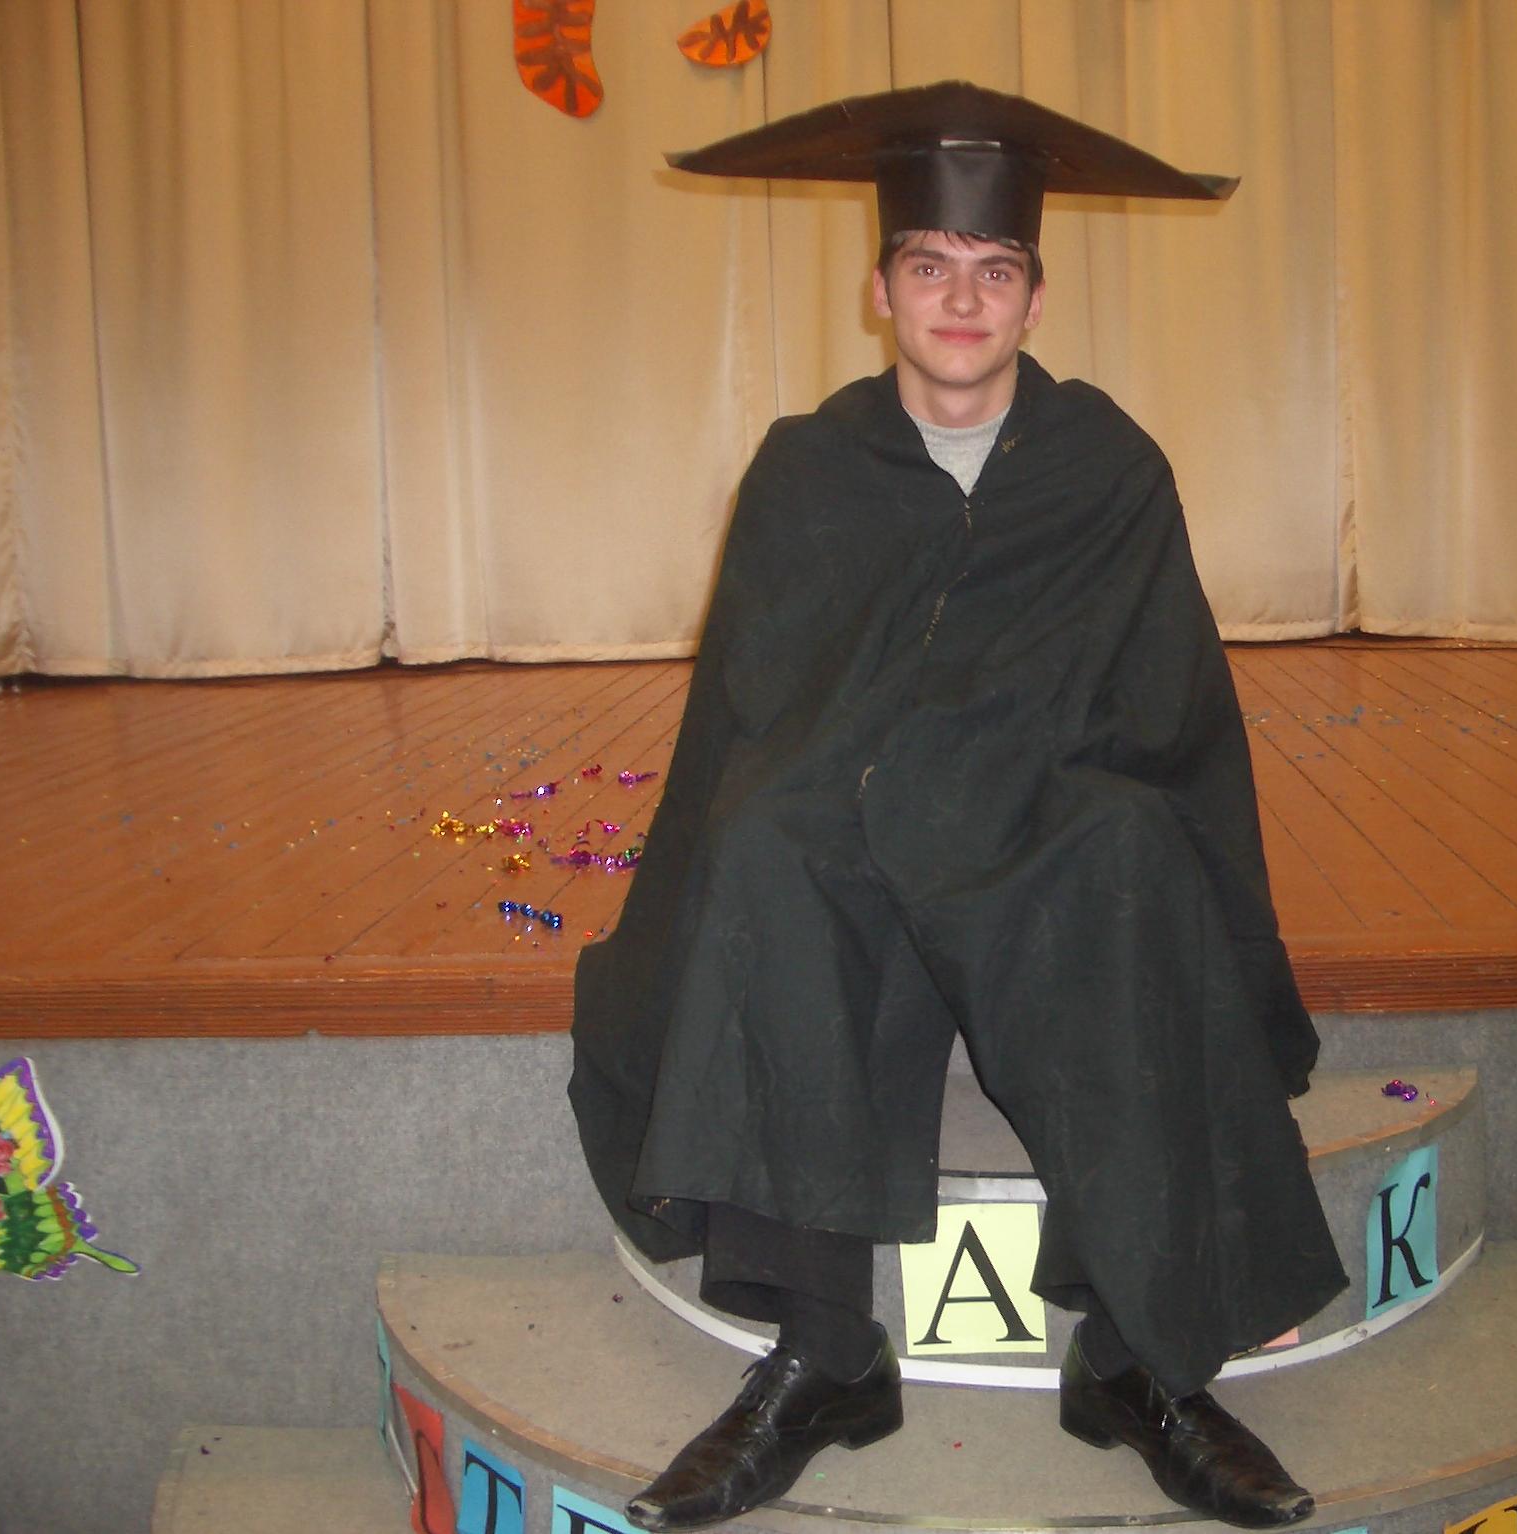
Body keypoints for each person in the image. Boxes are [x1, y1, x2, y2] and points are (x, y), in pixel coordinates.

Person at [569, 81, 1347, 1531]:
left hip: (1042, 803)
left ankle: (1136, 1363)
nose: (963, 297)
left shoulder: (1107, 467)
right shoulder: (808, 466)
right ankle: (823, 1353)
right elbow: (762, 700)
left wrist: (995, 777)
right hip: (850, 799)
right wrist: (875, 779)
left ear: (1036, 299)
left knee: (1128, 848)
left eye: (995, 269)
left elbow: (1162, 705)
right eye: (930, 264)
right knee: (768, 841)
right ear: (880, 290)